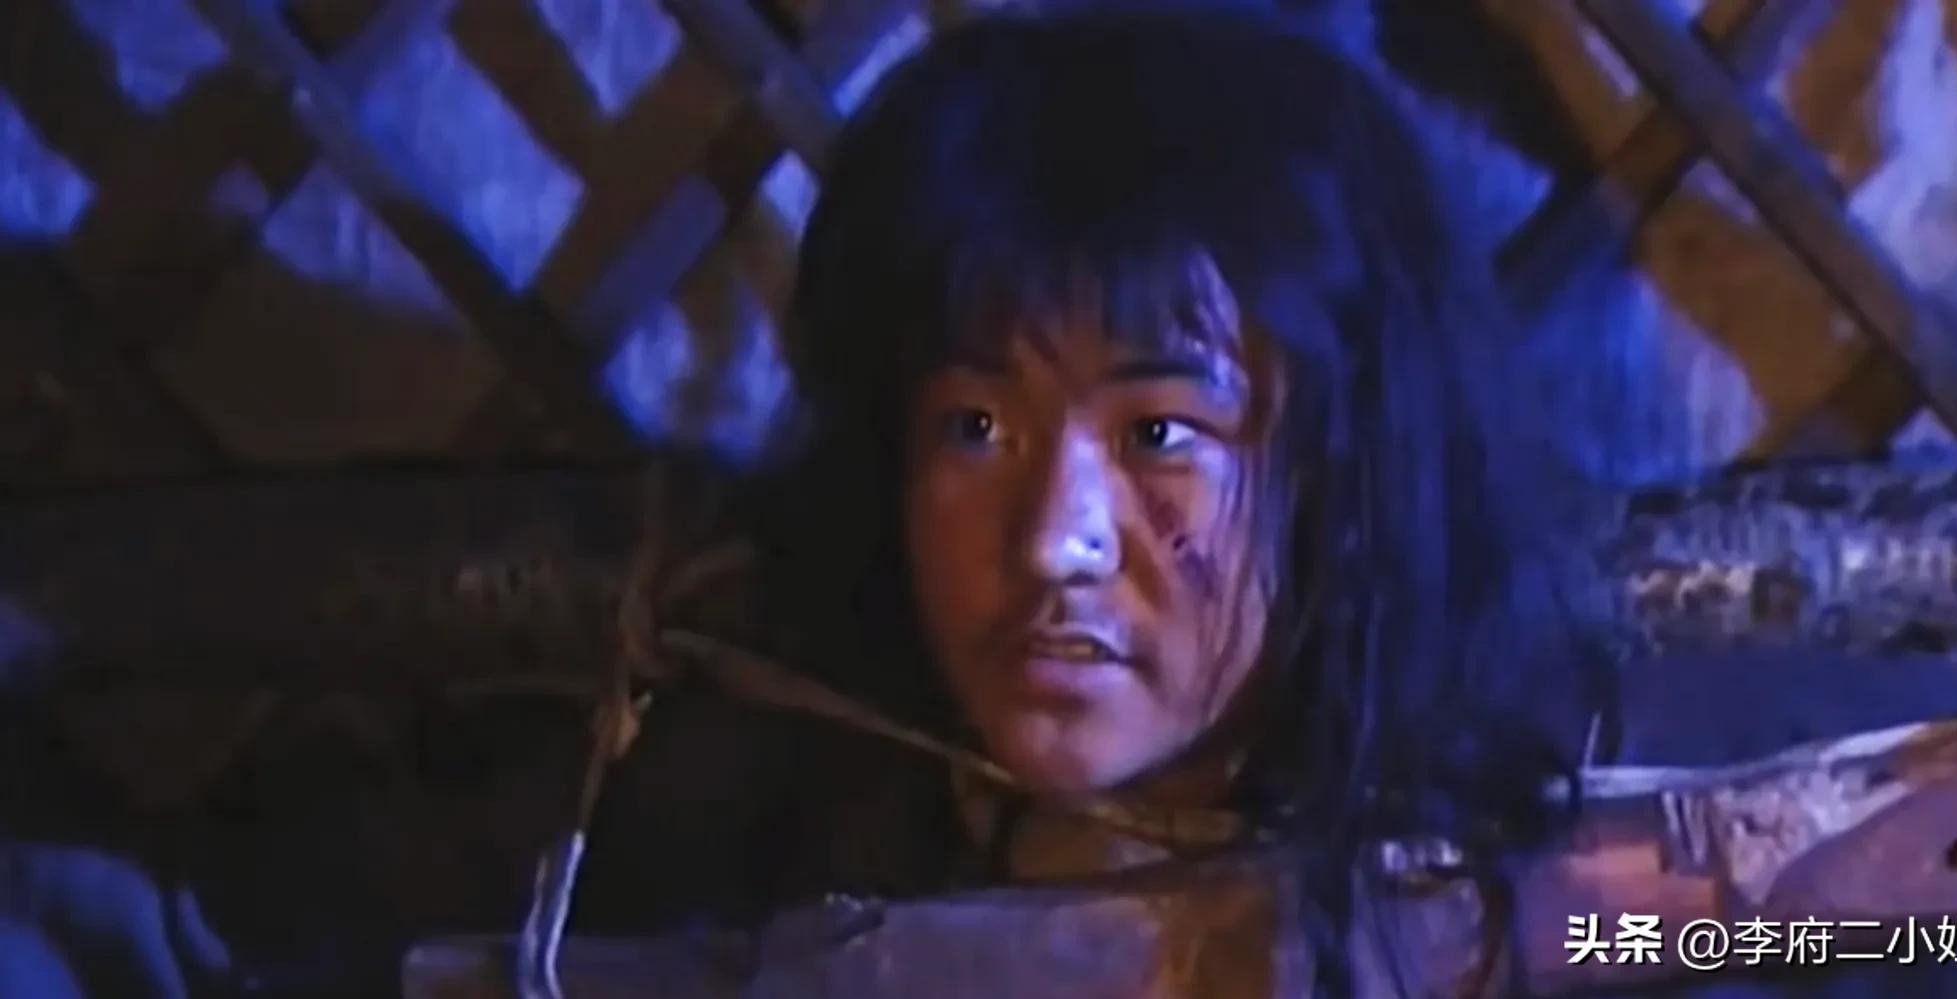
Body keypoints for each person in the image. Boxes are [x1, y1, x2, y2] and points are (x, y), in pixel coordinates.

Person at [2, 4, 1603, 996]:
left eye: (1162, 434)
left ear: (1351, 466)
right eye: (977, 425)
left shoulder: (1565, 896)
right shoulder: (729, 831)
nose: (1055, 539)